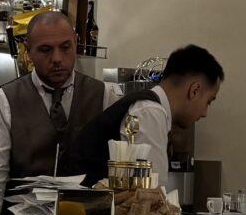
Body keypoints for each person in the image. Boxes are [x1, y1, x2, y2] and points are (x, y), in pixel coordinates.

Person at [0, 10, 110, 215]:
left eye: (65, 47)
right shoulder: (5, 99)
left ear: (76, 43)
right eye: (45, 50)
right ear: (28, 51)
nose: (57, 58)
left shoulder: (104, 96)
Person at [87, 45, 224, 203]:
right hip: (86, 212)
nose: (205, 113)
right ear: (194, 90)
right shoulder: (149, 112)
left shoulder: (150, 109)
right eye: (208, 101)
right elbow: (151, 195)